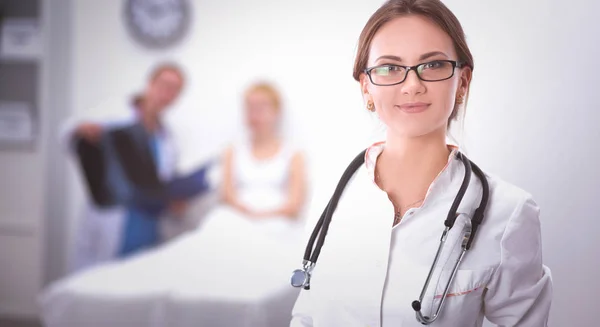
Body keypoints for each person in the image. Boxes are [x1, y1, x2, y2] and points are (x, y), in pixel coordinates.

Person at [289, 1, 553, 326]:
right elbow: (306, 314)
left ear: (463, 82)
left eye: (433, 65)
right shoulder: (330, 194)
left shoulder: (508, 212)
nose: (412, 85)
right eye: (389, 67)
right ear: (365, 86)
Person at [62, 62, 210, 273]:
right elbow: (69, 135)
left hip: (147, 224)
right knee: (98, 285)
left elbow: (158, 183)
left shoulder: (168, 139)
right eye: (165, 85)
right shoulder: (113, 114)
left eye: (175, 90)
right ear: (150, 84)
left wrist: (174, 201)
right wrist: (81, 130)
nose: (168, 94)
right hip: (112, 217)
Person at [198, 81, 307, 244]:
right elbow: (226, 195)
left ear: (276, 111)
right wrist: (248, 215)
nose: (255, 114)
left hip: (277, 223)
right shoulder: (232, 151)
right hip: (236, 219)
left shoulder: (293, 154)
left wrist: (262, 217)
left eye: (262, 107)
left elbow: (294, 204)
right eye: (250, 107)